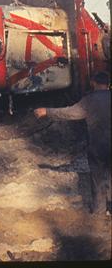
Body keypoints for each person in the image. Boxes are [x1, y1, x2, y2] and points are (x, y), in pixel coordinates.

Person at [34, 71, 111, 214]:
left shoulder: (89, 100)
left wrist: (47, 111)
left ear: (93, 83)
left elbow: (69, 113)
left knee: (98, 179)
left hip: (98, 146)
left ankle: (99, 213)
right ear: (107, 83)